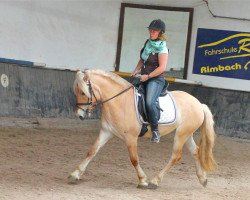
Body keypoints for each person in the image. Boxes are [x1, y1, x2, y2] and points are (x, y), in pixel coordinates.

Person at [131, 19, 169, 143]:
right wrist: (136, 70)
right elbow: (143, 59)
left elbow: (162, 68)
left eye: (154, 30)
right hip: (143, 77)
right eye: (150, 30)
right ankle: (140, 124)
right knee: (131, 96)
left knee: (148, 102)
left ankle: (155, 130)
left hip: (156, 79)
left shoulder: (163, 48)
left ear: (160, 32)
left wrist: (147, 76)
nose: (151, 32)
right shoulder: (148, 43)